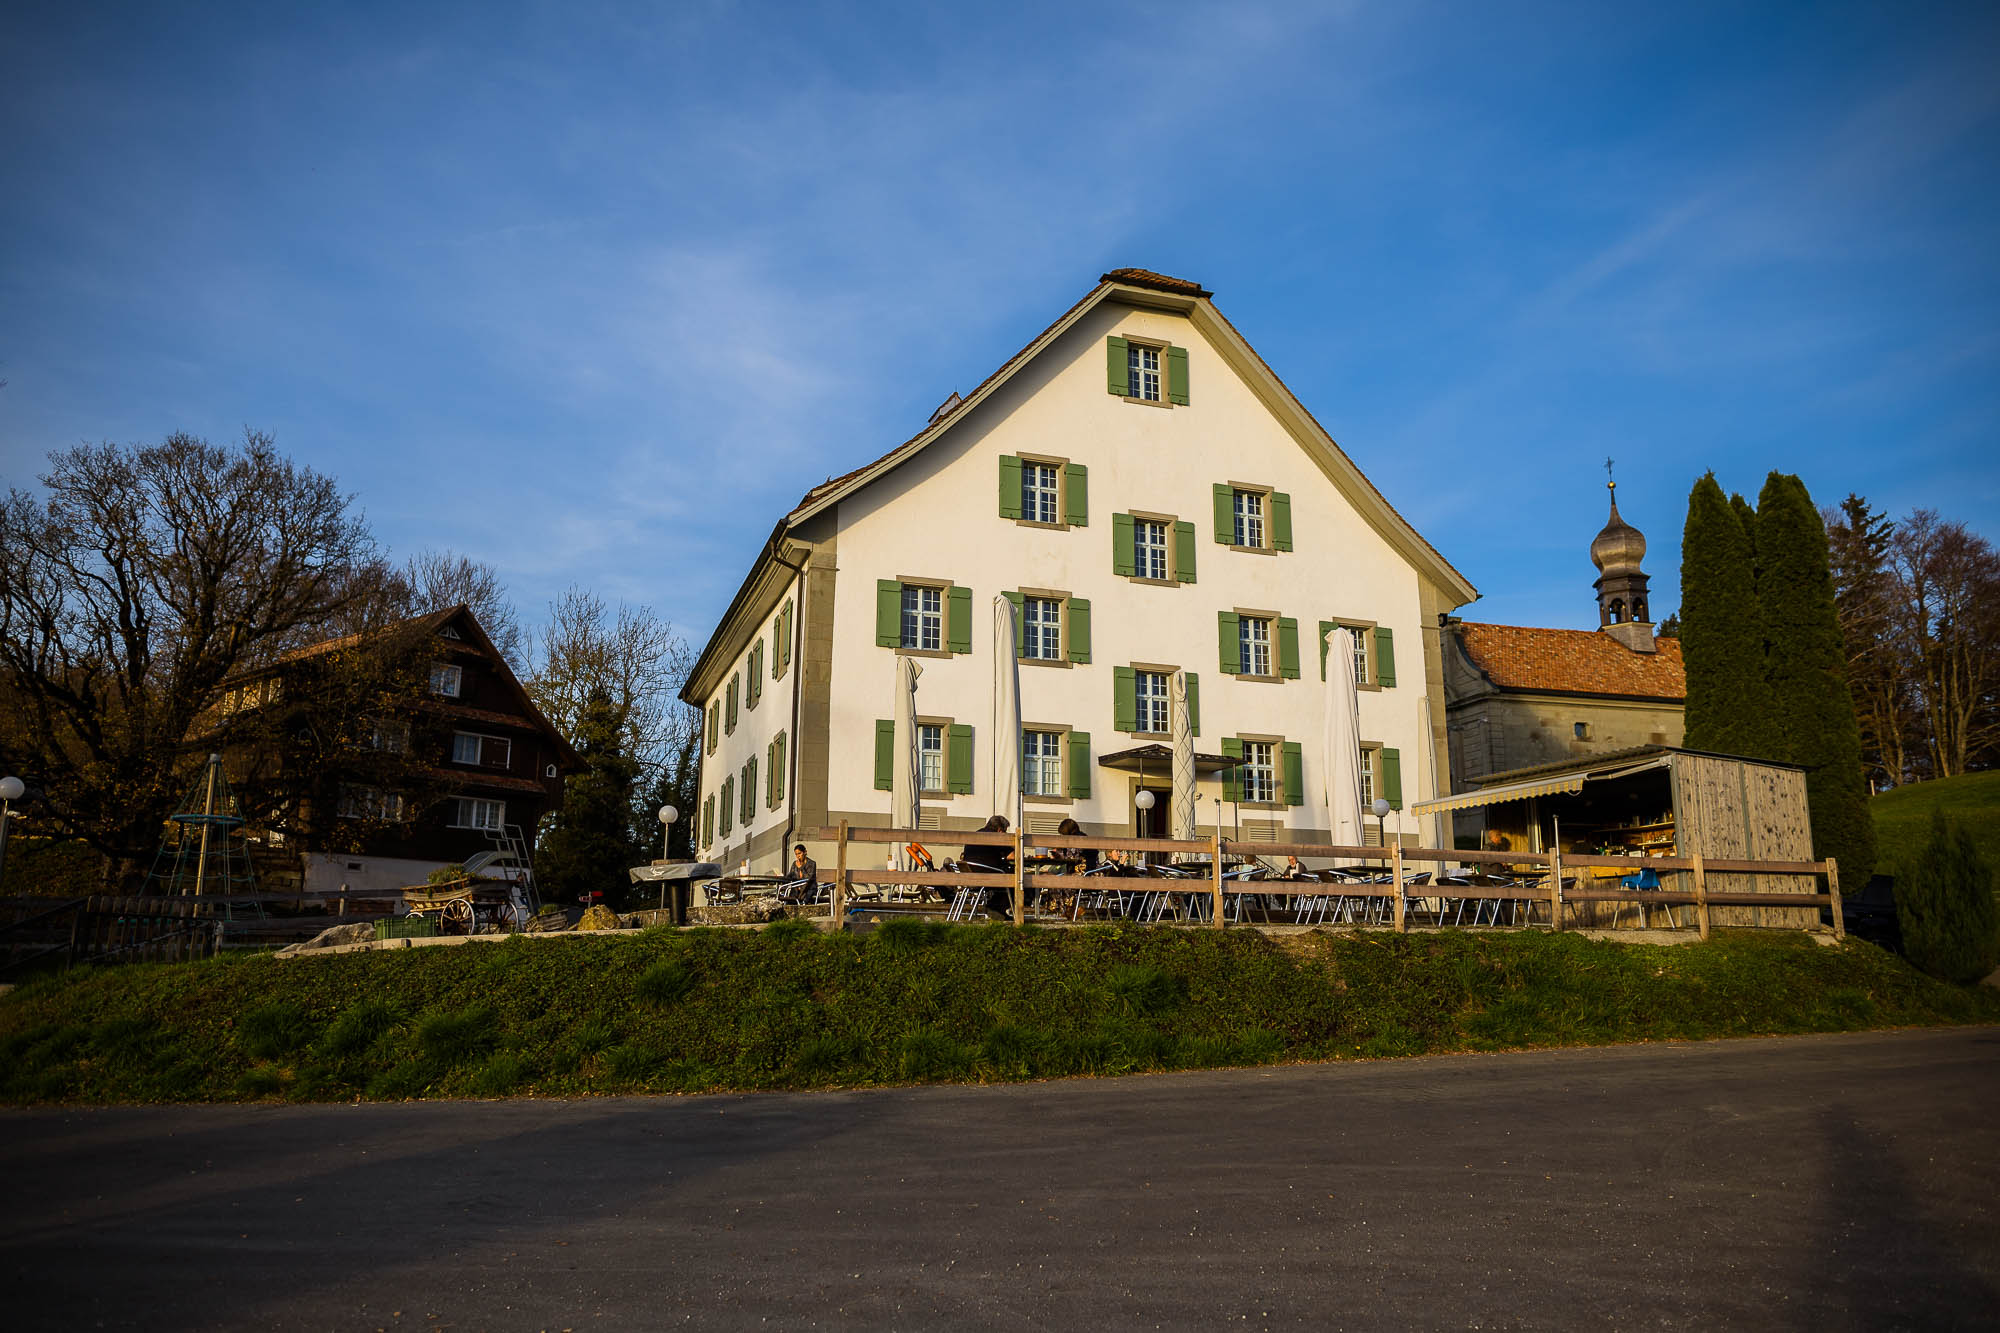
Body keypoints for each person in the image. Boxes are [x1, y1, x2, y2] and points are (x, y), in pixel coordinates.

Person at [960, 815, 1016, 913]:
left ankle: (996, 907)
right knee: (1013, 875)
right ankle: (999, 908)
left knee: (1005, 873)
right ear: (999, 830)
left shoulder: (975, 834)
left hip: (970, 877)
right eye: (1005, 831)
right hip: (987, 876)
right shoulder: (995, 837)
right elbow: (1013, 856)